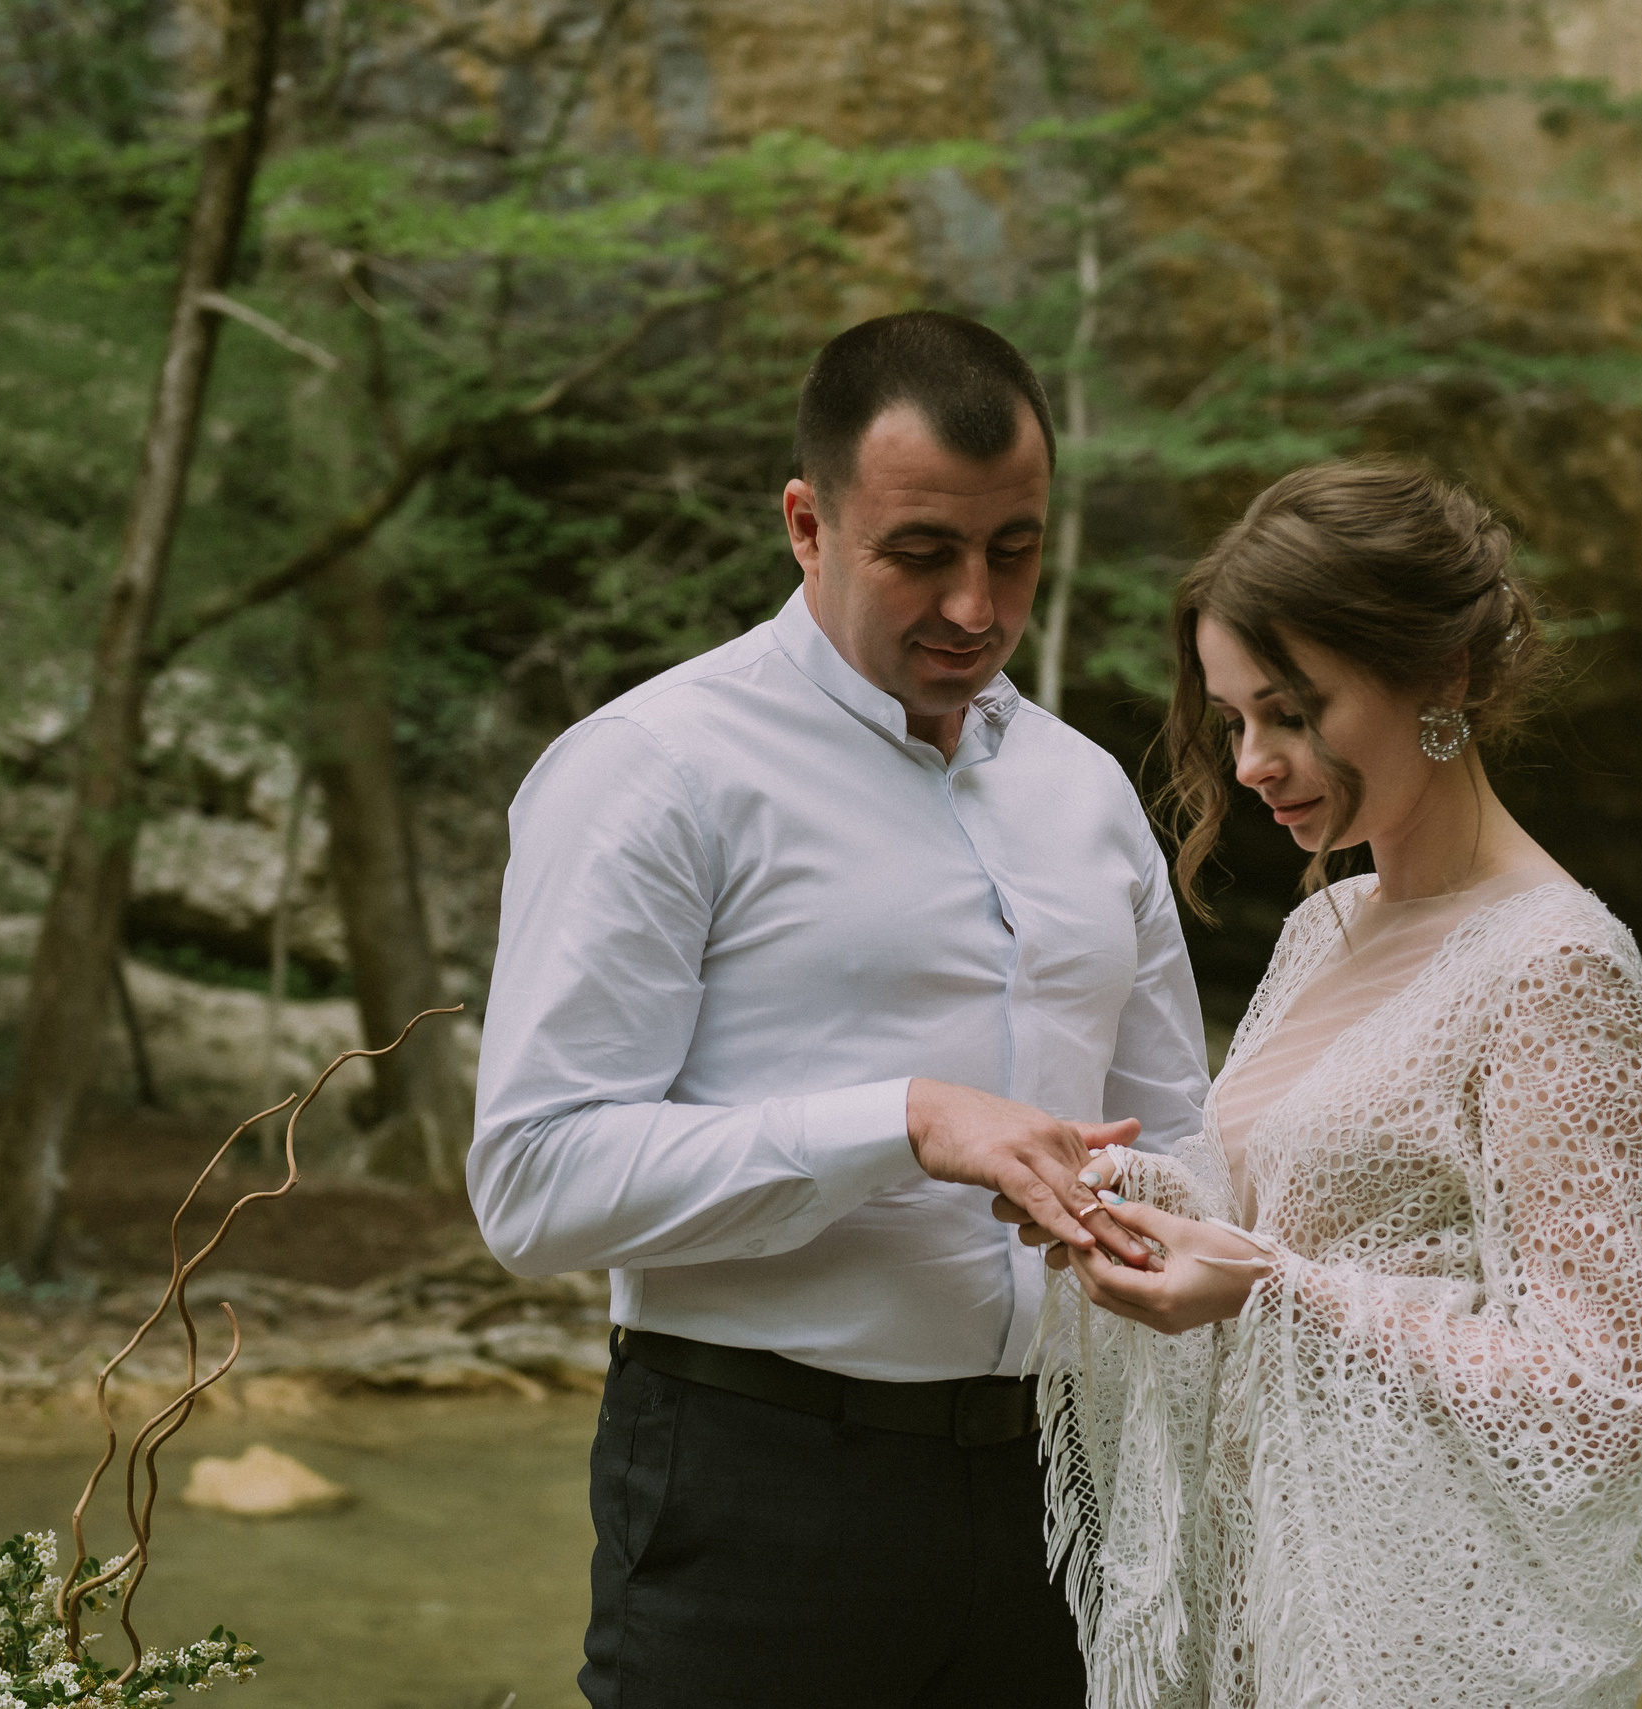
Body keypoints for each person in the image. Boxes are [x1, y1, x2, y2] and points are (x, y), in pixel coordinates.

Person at [470, 310, 1211, 1708]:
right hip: (760, 1491)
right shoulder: (651, 771)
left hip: (1070, 1493)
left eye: (1016, 549)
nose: (979, 608)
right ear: (806, 525)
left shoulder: (1088, 791)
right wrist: (906, 1122)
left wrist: (1183, 1246)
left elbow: (1177, 1129)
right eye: (922, 553)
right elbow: (533, 1185)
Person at [1009, 460, 1642, 1709]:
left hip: (1425, 1648)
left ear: (1446, 678)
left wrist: (1271, 1294)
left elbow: (1609, 1395)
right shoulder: (1321, 925)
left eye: (1294, 708)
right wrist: (1127, 1192)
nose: (1256, 761)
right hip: (1277, 1603)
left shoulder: (1556, 965)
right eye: (1232, 721)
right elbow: (1296, 1228)